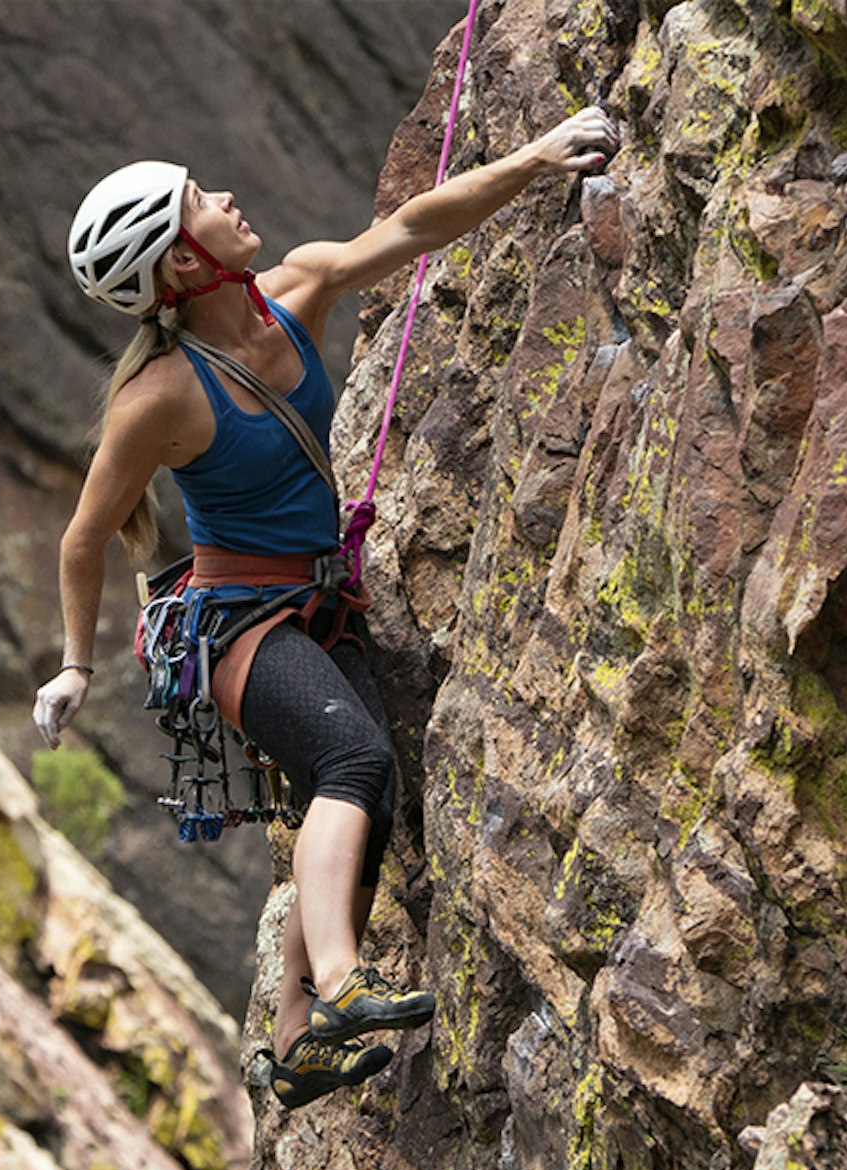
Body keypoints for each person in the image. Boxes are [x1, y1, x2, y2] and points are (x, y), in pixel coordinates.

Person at [34, 106, 620, 1108]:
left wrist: (530, 157)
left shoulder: (294, 289)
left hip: (317, 601)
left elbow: (409, 231)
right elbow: (84, 536)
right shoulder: (158, 400)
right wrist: (76, 666)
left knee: (366, 792)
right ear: (180, 265)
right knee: (351, 759)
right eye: (199, 203)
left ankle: (298, 1038)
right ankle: (344, 982)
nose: (226, 199)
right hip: (232, 623)